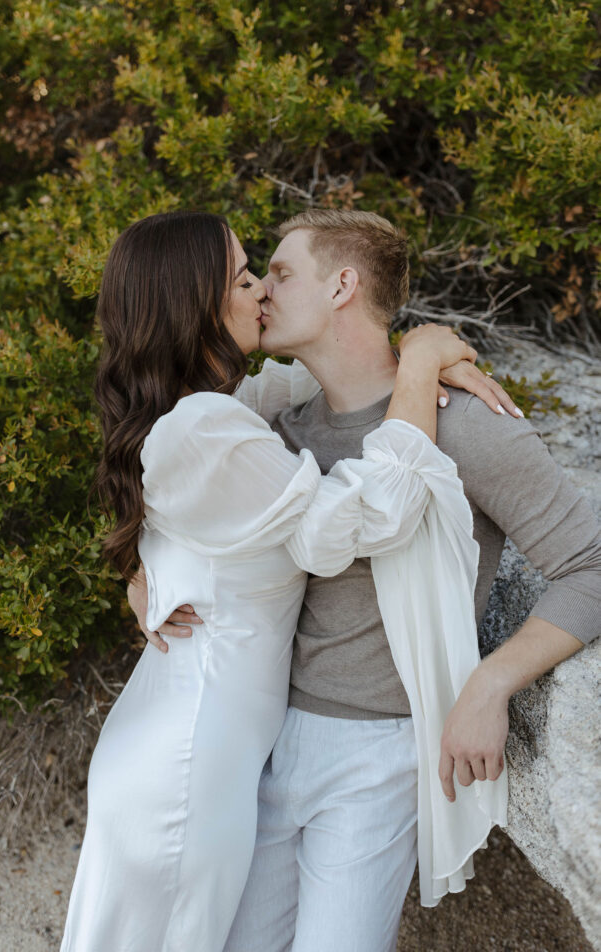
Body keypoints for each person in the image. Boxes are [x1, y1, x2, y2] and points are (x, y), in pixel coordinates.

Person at [138, 209, 601, 952]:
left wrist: (488, 685)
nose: (260, 291)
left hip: (379, 751)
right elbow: (182, 491)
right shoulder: (280, 425)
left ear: (342, 286)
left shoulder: (464, 425)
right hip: (261, 738)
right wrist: (146, 580)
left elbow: (589, 565)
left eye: (281, 273)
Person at [60, 210, 516, 952]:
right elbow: (363, 521)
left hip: (207, 746)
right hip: (187, 761)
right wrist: (422, 365)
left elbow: (330, 362)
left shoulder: (214, 413)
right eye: (244, 277)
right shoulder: (203, 429)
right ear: (196, 302)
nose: (261, 293)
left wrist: (408, 350)